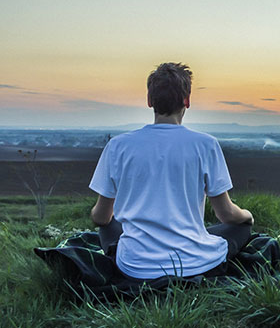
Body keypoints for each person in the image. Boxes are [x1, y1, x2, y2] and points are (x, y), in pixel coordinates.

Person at [88, 62, 253, 280]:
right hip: (195, 264)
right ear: (187, 100)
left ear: (149, 101)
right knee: (241, 228)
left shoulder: (118, 146)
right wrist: (247, 216)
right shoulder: (206, 145)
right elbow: (226, 215)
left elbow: (100, 217)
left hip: (135, 267)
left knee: (109, 225)